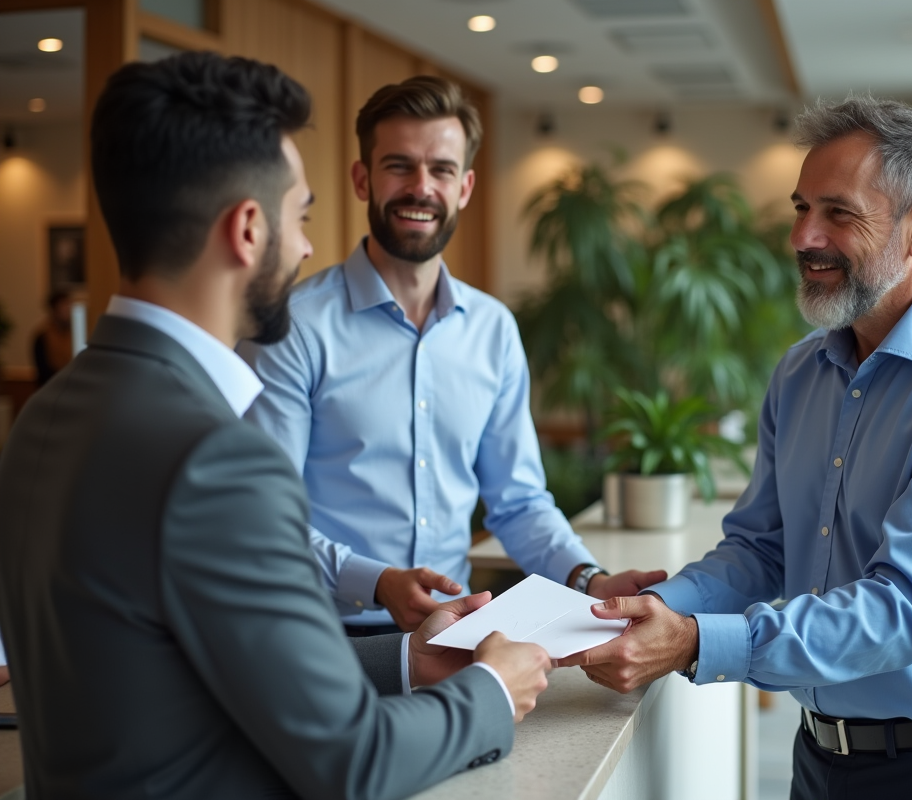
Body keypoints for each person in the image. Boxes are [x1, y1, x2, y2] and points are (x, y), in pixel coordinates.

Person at [0, 52, 552, 799]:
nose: (305, 247)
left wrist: (405, 664)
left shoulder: (48, 412)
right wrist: (491, 688)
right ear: (248, 229)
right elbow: (354, 762)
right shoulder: (217, 459)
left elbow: (179, 668)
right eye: (301, 217)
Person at [559, 97, 912, 800]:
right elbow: (761, 550)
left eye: (837, 212)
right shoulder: (801, 372)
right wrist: (645, 615)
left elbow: (900, 609)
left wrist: (696, 642)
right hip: (818, 760)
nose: (802, 236)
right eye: (800, 208)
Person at [238, 76, 664, 634]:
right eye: (399, 166)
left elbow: (518, 502)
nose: (421, 188)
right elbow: (266, 515)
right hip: (318, 635)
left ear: (463, 187)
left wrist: (589, 579)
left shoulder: (493, 330)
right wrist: (376, 581)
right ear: (362, 179)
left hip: (457, 631)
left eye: (440, 170)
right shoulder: (292, 326)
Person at [31, 288, 74, 386]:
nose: (68, 310)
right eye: (64, 306)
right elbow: (43, 371)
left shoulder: (75, 333)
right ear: (54, 309)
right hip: (51, 387)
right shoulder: (42, 335)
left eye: (69, 305)